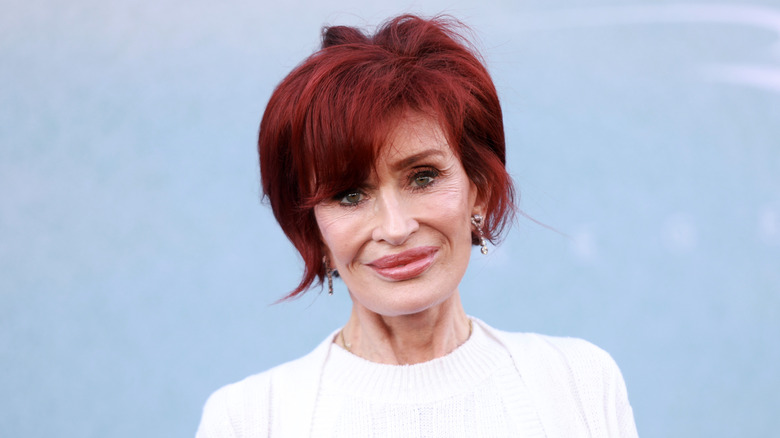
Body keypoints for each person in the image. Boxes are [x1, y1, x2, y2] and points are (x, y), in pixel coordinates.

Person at [197, 14, 638, 437]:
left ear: (478, 189)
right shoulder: (249, 420)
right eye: (349, 194)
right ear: (314, 230)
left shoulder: (579, 384)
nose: (396, 227)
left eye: (423, 177)